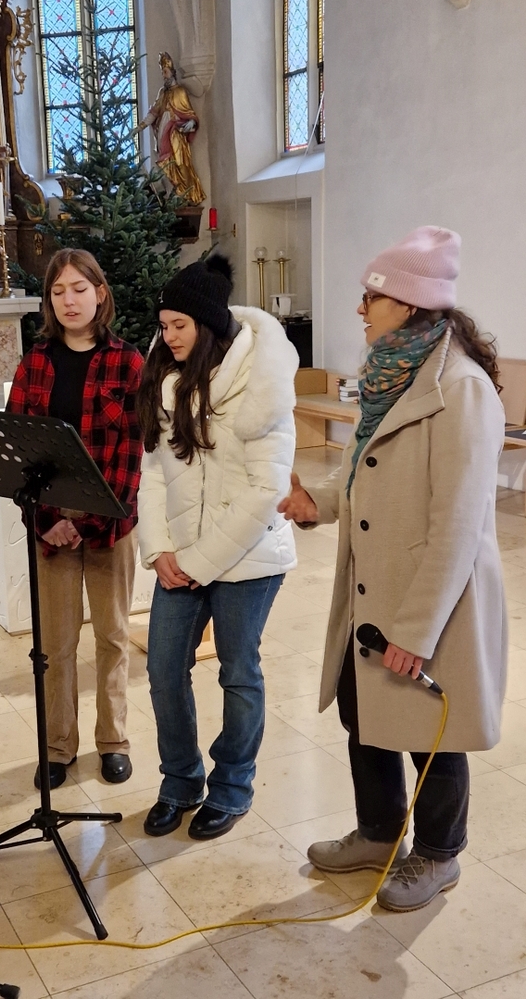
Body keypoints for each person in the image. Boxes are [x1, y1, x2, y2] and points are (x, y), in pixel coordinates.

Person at [278, 226, 507, 911]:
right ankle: (379, 834)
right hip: (373, 588)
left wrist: (416, 629)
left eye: (370, 297)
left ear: (407, 304)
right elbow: (365, 469)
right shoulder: (391, 376)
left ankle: (439, 854)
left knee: (432, 733)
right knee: (364, 711)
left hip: (432, 599)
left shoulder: (462, 390)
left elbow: (458, 526)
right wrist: (318, 502)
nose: (360, 308)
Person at [136, 255, 299, 840]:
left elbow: (265, 492)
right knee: (163, 669)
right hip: (179, 557)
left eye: (179, 325)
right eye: (163, 326)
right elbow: (154, 471)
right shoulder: (167, 378)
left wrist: (199, 563)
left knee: (238, 672)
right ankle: (180, 782)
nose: (168, 337)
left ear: (207, 324)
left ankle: (231, 787)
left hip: (250, 560)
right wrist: (160, 550)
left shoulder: (262, 383)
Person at [6, 249, 143, 789]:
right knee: (56, 644)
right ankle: (58, 747)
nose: (69, 300)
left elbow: (132, 454)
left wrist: (89, 522)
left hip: (109, 521)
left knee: (112, 636)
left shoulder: (127, 362)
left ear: (99, 293)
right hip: (51, 522)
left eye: (79, 289)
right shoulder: (35, 362)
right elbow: (17, 449)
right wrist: (45, 520)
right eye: (58, 291)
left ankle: (113, 741)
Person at [136, 52, 205, 205]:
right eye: (162, 72)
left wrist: (191, 123)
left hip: (177, 134)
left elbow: (189, 112)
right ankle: (173, 193)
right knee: (166, 164)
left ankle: (187, 194)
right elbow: (154, 113)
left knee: (180, 163)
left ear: (172, 72)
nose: (163, 75)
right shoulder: (162, 93)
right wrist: (139, 128)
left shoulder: (180, 91)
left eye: (165, 72)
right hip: (163, 133)